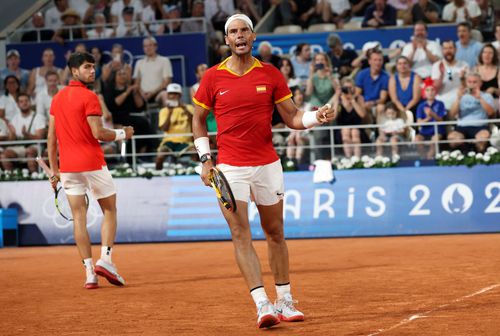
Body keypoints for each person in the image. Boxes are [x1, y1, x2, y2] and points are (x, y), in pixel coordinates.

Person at [192, 14, 334, 329]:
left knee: (275, 232)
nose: (239, 36)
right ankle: (262, 304)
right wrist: (205, 159)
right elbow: (198, 119)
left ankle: (284, 300)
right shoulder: (213, 78)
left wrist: (314, 118)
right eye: (233, 32)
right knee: (240, 233)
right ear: (226, 40)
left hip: (267, 164)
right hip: (229, 168)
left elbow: (292, 117)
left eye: (244, 30)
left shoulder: (270, 74)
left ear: (253, 36)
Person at [47, 52, 134, 289]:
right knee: (110, 210)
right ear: (74, 71)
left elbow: (51, 140)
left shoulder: (57, 98)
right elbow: (98, 133)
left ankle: (89, 274)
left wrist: (54, 171)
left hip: (68, 169)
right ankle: (105, 259)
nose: (92, 71)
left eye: (93, 67)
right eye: (87, 67)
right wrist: (122, 133)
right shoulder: (90, 96)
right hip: (92, 164)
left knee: (78, 219)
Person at [447, 72, 495, 153]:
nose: (472, 84)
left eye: (475, 82)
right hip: (462, 126)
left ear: (480, 83)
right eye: (469, 82)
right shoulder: (461, 96)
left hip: (480, 126)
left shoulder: (487, 96)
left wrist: (480, 98)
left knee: (482, 138)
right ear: (466, 83)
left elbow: (491, 113)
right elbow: (452, 114)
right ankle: (462, 157)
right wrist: (458, 98)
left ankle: (480, 160)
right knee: (452, 138)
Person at [1, 93, 47, 172]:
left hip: (35, 146)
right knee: (3, 155)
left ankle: (34, 176)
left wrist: (27, 135)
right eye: (21, 101)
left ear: (30, 102)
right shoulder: (15, 118)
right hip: (19, 147)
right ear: (18, 104)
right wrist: (12, 134)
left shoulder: (39, 117)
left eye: (26, 101)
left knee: (30, 152)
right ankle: (12, 176)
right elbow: (11, 139)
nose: (24, 103)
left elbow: (40, 137)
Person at [155, 83, 194, 169]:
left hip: (185, 141)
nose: (173, 96)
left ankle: (194, 175)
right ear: (168, 95)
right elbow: (164, 129)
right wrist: (170, 112)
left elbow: (194, 124)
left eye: (176, 94)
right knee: (159, 157)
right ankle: (158, 177)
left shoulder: (189, 108)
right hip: (169, 141)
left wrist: (184, 109)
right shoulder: (164, 111)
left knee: (196, 153)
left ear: (180, 95)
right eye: (171, 93)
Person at [332, 77, 367, 158]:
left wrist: (353, 100)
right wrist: (337, 99)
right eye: (346, 88)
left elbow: (362, 115)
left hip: (357, 128)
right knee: (346, 131)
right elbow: (334, 116)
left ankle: (356, 159)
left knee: (354, 132)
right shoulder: (338, 99)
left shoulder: (359, 98)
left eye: (350, 87)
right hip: (342, 129)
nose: (348, 90)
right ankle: (348, 159)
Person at [431, 40, 469, 111]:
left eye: (450, 48)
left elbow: (468, 87)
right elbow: (435, 88)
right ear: (442, 50)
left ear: (455, 49)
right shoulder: (437, 65)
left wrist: (462, 78)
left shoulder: (464, 65)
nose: (448, 51)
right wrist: (441, 75)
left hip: (460, 100)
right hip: (442, 100)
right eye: (445, 48)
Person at [133, 36, 173, 103]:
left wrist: (152, 93)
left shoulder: (164, 61)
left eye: (150, 45)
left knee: (165, 94)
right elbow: (137, 82)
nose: (148, 48)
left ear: (155, 47)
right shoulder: (139, 63)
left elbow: (166, 82)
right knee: (133, 92)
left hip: (158, 94)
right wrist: (142, 93)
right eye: (145, 46)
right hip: (142, 95)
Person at [414, 81, 447, 159]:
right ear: (424, 92)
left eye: (432, 90)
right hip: (424, 132)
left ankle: (430, 157)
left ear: (435, 92)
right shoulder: (421, 106)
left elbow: (441, 120)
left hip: (437, 131)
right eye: (427, 90)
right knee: (417, 139)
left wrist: (432, 114)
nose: (430, 92)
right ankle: (423, 157)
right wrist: (428, 118)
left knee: (435, 139)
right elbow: (419, 123)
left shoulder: (440, 103)